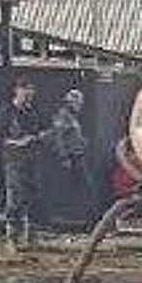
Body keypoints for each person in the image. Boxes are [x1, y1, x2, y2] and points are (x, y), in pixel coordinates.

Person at [0, 77, 46, 249]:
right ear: (17, 90)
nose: (29, 94)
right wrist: (18, 143)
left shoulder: (32, 113)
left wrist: (37, 138)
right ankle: (12, 238)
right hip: (13, 160)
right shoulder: (6, 112)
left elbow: (38, 133)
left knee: (32, 196)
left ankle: (31, 236)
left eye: (31, 90)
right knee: (15, 197)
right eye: (26, 90)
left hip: (31, 159)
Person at [50, 88, 95, 218]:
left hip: (78, 156)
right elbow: (58, 137)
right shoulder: (63, 116)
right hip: (70, 158)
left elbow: (71, 135)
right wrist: (64, 157)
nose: (79, 106)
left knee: (82, 188)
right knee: (80, 187)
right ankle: (67, 216)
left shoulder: (72, 118)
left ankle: (81, 216)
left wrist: (82, 141)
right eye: (77, 103)